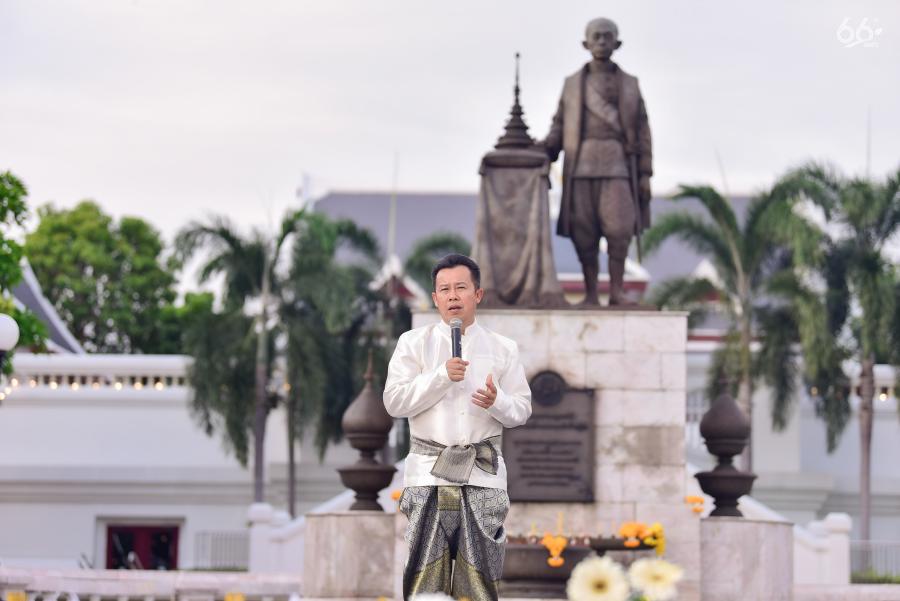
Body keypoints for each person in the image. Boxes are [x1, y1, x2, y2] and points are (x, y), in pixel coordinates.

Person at [384, 253, 532, 601]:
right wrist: (439, 377)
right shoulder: (413, 343)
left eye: (461, 288)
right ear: (435, 298)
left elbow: (522, 410)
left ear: (477, 294)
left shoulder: (503, 348)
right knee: (424, 578)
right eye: (444, 289)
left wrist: (496, 401)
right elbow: (394, 402)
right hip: (427, 474)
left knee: (481, 581)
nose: (452, 296)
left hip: (483, 476)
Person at [540, 17, 653, 306]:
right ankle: (591, 293)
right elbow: (559, 125)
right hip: (581, 165)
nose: (602, 42)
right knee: (584, 231)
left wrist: (644, 174)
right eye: (596, 37)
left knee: (619, 228)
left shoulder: (629, 84)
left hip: (617, 164)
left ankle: (616, 291)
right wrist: (544, 149)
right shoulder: (572, 86)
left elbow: (642, 129)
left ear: (617, 43)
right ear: (585, 43)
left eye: (607, 37)